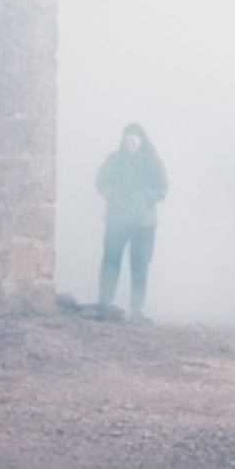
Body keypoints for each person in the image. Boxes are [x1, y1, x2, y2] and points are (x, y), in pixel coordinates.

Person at [95, 123, 168, 323]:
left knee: (140, 267)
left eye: (133, 140)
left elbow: (163, 188)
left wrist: (145, 197)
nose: (130, 143)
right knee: (110, 262)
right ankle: (104, 305)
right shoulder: (114, 160)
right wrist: (110, 193)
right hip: (117, 221)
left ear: (141, 141)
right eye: (127, 140)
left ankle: (137, 311)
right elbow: (100, 181)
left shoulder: (152, 161)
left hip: (143, 224)